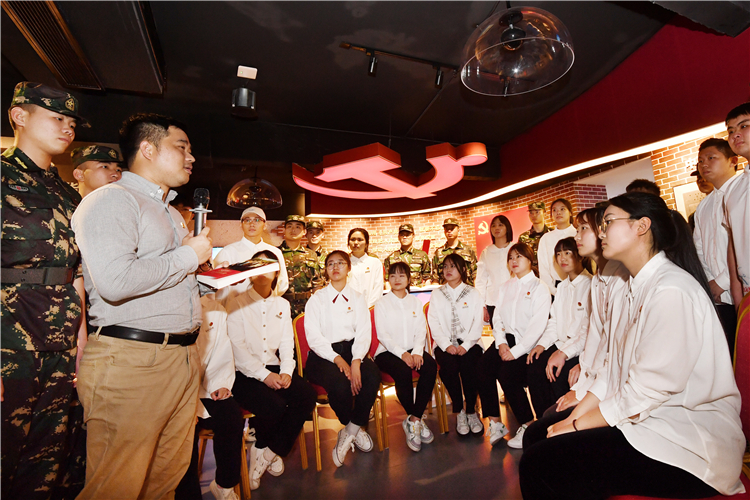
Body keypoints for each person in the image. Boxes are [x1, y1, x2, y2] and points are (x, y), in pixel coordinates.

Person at [519, 192, 745, 499]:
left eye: (609, 222)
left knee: (540, 463)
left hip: (686, 441)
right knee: (537, 436)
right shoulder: (631, 287)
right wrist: (573, 418)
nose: (601, 232)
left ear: (641, 226)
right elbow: (613, 371)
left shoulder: (670, 290)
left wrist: (577, 426)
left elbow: (647, 390)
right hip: (648, 420)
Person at [72, 112, 213, 499]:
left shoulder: (171, 213)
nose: (191, 157)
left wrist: (208, 278)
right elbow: (116, 282)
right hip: (132, 360)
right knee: (116, 487)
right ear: (148, 149)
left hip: (182, 359)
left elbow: (163, 279)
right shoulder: (111, 200)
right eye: (182, 147)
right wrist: (188, 256)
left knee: (163, 482)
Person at [1, 82, 89, 500]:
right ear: (19, 116)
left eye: (71, 121)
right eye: (56, 117)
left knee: (47, 457)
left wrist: (81, 337)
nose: (67, 127)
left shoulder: (67, 194)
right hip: (9, 342)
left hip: (60, 342)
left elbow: (76, 271)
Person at [226, 250, 316, 490]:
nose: (263, 271)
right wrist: (265, 376)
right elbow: (238, 349)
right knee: (274, 405)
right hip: (243, 373)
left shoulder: (282, 305)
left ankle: (266, 452)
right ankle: (264, 447)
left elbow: (287, 343)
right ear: (250, 272)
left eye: (268, 266)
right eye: (257, 266)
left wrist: (286, 371)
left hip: (275, 367)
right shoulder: (236, 303)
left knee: (306, 395)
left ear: (277, 272)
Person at [547, 207, 629, 421]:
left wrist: (583, 388)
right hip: (594, 376)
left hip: (614, 390)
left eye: (583, 229)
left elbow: (613, 349)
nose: (576, 237)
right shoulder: (598, 281)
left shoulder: (620, 280)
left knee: (553, 423)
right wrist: (583, 371)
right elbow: (592, 334)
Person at [304, 250, 382, 467]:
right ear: (326, 270)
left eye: (340, 263)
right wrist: (337, 359)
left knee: (371, 375)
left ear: (348, 268)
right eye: (330, 264)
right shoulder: (317, 299)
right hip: (323, 355)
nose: (335, 267)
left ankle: (351, 430)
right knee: (340, 384)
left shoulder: (357, 297)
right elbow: (313, 337)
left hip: (354, 350)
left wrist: (356, 360)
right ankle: (352, 426)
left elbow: (364, 332)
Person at [477, 243, 551, 448]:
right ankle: (495, 423)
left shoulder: (539, 288)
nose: (514, 261)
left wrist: (516, 352)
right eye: (511, 258)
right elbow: (497, 317)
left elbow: (537, 327)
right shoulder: (505, 287)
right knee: (483, 367)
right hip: (506, 340)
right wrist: (500, 343)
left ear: (530, 260)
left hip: (529, 344)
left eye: (519, 257)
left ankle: (528, 425)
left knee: (507, 374)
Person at [176, 294, 244, 500]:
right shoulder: (172, 306)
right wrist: (187, 403)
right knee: (184, 431)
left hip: (206, 386)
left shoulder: (216, 310)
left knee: (231, 416)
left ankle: (224, 484)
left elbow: (220, 353)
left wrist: (220, 383)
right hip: (176, 392)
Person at [374, 261, 438, 452]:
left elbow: (420, 330)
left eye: (401, 275)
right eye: (393, 275)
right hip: (387, 352)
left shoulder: (415, 302)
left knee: (430, 366)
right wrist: (402, 353)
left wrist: (417, 351)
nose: (397, 279)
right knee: (402, 371)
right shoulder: (382, 303)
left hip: (412, 349)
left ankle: (414, 419)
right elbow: (383, 335)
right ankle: (415, 418)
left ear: (409, 279)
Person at [526, 237, 592, 422]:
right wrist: (541, 345)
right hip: (561, 344)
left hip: (582, 349)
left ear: (580, 255)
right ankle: (542, 421)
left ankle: (562, 423)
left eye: (567, 253)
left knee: (558, 373)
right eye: (558, 254)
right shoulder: (561, 287)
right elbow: (554, 322)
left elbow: (587, 331)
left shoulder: (590, 285)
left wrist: (563, 353)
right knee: (534, 365)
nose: (562, 258)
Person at [428, 253, 485, 436]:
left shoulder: (473, 293)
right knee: (449, 367)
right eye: (445, 266)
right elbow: (433, 322)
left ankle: (471, 411)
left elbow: (477, 323)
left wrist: (466, 345)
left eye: (452, 266)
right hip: (445, 343)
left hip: (470, 342)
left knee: (470, 365)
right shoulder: (437, 294)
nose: (448, 270)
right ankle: (459, 410)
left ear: (462, 269)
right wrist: (446, 345)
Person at [693, 138, 740, 349]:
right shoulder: (704, 205)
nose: (704, 165)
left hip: (739, 288)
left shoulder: (742, 193)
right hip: (719, 297)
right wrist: (711, 281)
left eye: (711, 158)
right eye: (700, 161)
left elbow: (743, 246)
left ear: (732, 161)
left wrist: (722, 282)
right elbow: (699, 248)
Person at [213, 207, 288, 305]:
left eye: (257, 220)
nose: (252, 224)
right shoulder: (228, 252)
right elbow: (216, 286)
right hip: (235, 308)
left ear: (265, 225)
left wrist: (267, 301)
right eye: (247, 220)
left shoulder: (275, 252)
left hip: (267, 307)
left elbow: (282, 283)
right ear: (241, 225)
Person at [724, 102, 750, 303]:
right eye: (731, 131)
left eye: (744, 126)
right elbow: (733, 245)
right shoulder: (733, 189)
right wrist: (737, 296)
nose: (735, 135)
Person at [279, 215, 324, 318]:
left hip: (306, 306)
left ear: (304, 232)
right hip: (281, 305)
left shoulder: (311, 255)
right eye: (289, 226)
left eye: (298, 227)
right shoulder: (276, 253)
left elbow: (317, 284)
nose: (293, 230)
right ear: (284, 230)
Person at [475, 215, 513, 326]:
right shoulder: (486, 252)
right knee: (497, 333)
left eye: (500, 225)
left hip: (513, 300)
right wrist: (482, 306)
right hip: (493, 302)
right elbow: (481, 281)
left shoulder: (514, 249)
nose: (497, 228)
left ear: (507, 228)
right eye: (493, 225)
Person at [536, 198, 577, 295]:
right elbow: (543, 268)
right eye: (554, 210)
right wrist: (553, 290)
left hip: (579, 284)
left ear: (570, 212)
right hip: (556, 287)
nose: (558, 212)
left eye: (562, 209)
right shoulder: (546, 238)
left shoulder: (578, 234)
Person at [432, 218, 478, 286]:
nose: (449, 231)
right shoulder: (439, 253)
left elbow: (475, 274)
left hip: (466, 289)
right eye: (447, 229)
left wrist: (477, 291)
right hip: (446, 290)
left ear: (458, 229)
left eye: (452, 228)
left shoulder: (468, 250)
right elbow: (435, 278)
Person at [347, 228, 385, 307]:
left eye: (360, 240)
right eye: (353, 239)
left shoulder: (375, 263)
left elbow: (378, 289)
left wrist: (368, 307)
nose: (356, 243)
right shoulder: (344, 263)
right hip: (348, 308)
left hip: (370, 308)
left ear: (366, 243)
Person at [518, 202, 551, 266]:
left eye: (537, 212)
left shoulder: (552, 233)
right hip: (531, 271)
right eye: (531, 213)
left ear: (544, 213)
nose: (534, 215)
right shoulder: (523, 237)